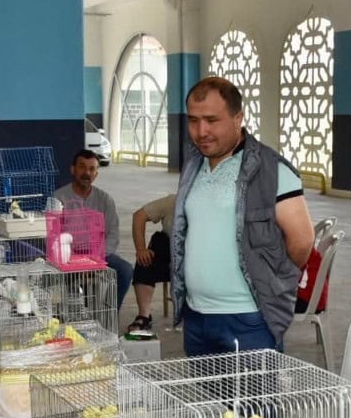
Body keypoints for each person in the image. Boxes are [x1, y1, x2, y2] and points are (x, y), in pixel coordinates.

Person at [171, 76, 315, 355]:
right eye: (193, 120)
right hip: (196, 317)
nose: (201, 131)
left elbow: (302, 240)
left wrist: (274, 284)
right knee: (203, 387)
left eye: (212, 120)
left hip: (249, 320)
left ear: (238, 118)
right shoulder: (193, 166)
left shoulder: (272, 170)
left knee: (254, 388)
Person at [53, 148, 133, 309]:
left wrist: (96, 259)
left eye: (92, 169)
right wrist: (75, 261)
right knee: (53, 276)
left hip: (99, 254)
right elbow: (53, 235)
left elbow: (113, 234)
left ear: (96, 174)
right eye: (82, 167)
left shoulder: (105, 200)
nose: (87, 173)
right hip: (69, 256)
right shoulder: (58, 197)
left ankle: (110, 315)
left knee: (125, 270)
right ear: (73, 169)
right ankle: (70, 315)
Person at [128, 192, 175, 332]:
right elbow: (139, 216)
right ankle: (144, 315)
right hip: (170, 255)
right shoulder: (173, 201)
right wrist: (141, 249)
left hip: (197, 258)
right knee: (147, 255)